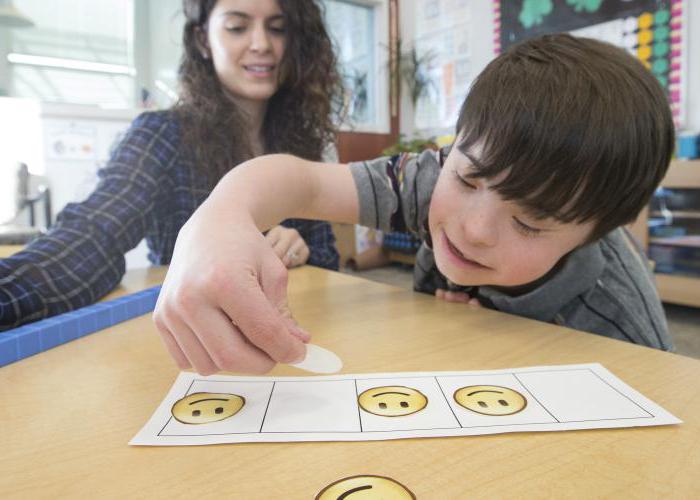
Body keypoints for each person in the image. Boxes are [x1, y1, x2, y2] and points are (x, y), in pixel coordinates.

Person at [154, 34, 675, 375]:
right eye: (469, 178)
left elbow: (660, 428)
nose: (474, 229)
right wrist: (218, 221)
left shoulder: (619, 321)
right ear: (453, 148)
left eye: (531, 222)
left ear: (595, 233)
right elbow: (303, 184)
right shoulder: (429, 182)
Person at [0, 0, 342, 329]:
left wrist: (299, 250)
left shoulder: (302, 146)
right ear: (202, 40)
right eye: (237, 27)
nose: (261, 44)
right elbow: (94, 236)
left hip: (294, 333)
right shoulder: (161, 135)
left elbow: (328, 261)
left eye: (278, 29)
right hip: (195, 346)